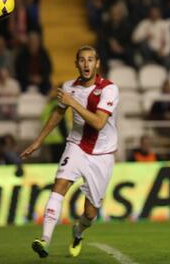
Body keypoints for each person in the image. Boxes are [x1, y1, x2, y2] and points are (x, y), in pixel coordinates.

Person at [20, 45, 119, 258]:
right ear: (76, 64)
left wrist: (72, 102)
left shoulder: (110, 89)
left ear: (97, 63)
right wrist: (38, 141)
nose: (86, 64)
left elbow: (99, 123)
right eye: (82, 60)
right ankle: (44, 240)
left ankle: (78, 230)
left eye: (90, 59)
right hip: (75, 146)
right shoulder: (68, 87)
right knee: (59, 186)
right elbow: (58, 112)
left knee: (91, 213)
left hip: (102, 155)